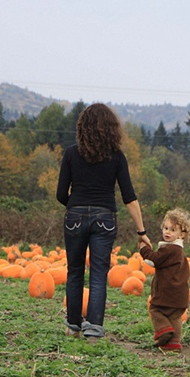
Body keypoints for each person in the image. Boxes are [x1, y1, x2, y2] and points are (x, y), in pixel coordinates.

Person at [56, 103, 151, 339]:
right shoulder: (117, 157)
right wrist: (142, 231)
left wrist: (77, 206)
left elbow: (60, 194)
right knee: (99, 273)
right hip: (105, 218)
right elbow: (129, 197)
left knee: (75, 271)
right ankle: (94, 330)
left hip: (75, 215)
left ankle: (73, 325)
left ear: (82, 128)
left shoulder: (70, 153)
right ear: (111, 129)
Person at [139, 208, 190, 352]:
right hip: (180, 296)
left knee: (155, 309)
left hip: (167, 293)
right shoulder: (179, 252)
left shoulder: (169, 250)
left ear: (181, 234)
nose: (167, 232)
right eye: (166, 228)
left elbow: (154, 260)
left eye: (172, 230)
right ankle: (174, 344)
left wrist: (143, 249)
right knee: (175, 317)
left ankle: (164, 331)